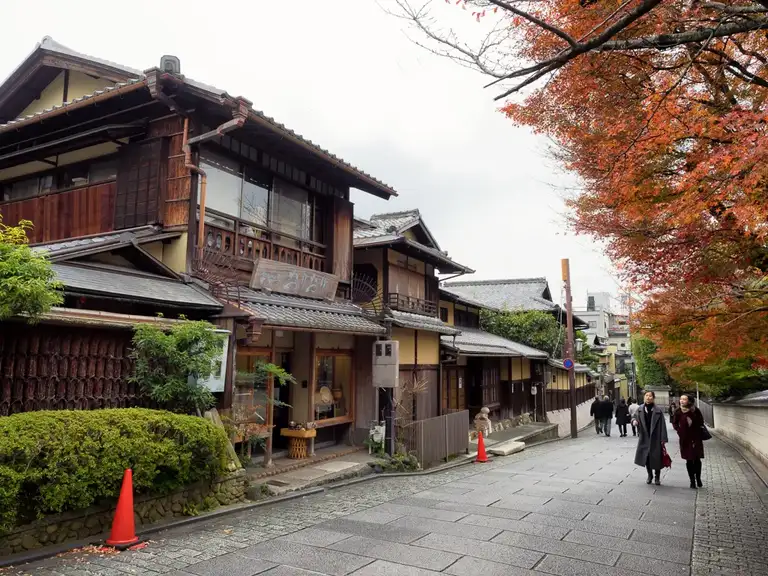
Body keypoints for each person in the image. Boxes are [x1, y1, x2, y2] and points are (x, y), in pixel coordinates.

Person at [633, 391, 668, 485]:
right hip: (644, 437)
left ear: (653, 398)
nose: (648, 397)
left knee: (657, 458)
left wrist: (663, 439)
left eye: (650, 396)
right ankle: (650, 475)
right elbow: (634, 417)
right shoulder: (640, 409)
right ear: (644, 397)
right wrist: (634, 421)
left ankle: (657, 477)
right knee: (646, 457)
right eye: (646, 395)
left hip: (656, 438)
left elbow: (663, 426)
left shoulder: (658, 410)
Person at [672, 394, 705, 489]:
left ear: (689, 401)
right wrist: (679, 430)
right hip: (684, 438)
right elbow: (674, 423)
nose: (682, 401)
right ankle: (692, 480)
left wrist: (690, 413)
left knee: (697, 459)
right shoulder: (678, 411)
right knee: (689, 459)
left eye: (684, 399)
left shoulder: (695, 410)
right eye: (681, 399)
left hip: (695, 437)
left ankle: (698, 478)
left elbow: (700, 421)